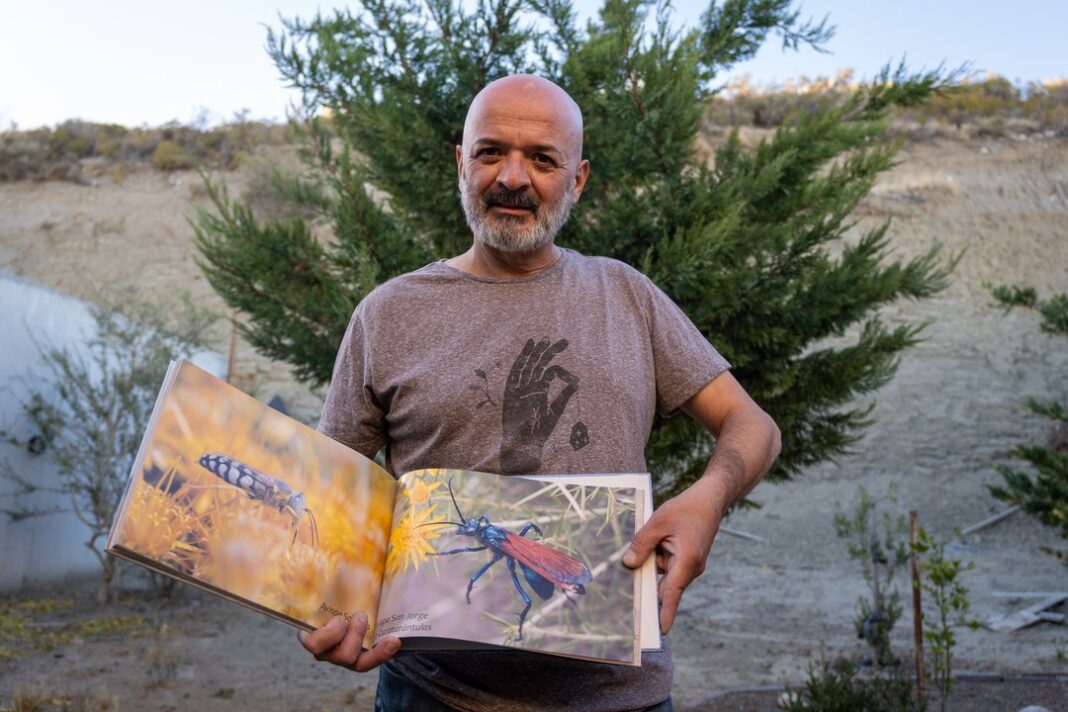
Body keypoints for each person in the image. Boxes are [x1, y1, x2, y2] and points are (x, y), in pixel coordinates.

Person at [300, 74, 781, 712]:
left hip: (621, 698)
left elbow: (755, 426)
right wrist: (326, 605)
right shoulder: (385, 315)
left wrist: (709, 500)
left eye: (543, 159)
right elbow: (334, 507)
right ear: (461, 164)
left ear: (577, 180)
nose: (513, 177)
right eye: (491, 152)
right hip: (430, 697)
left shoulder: (626, 294)